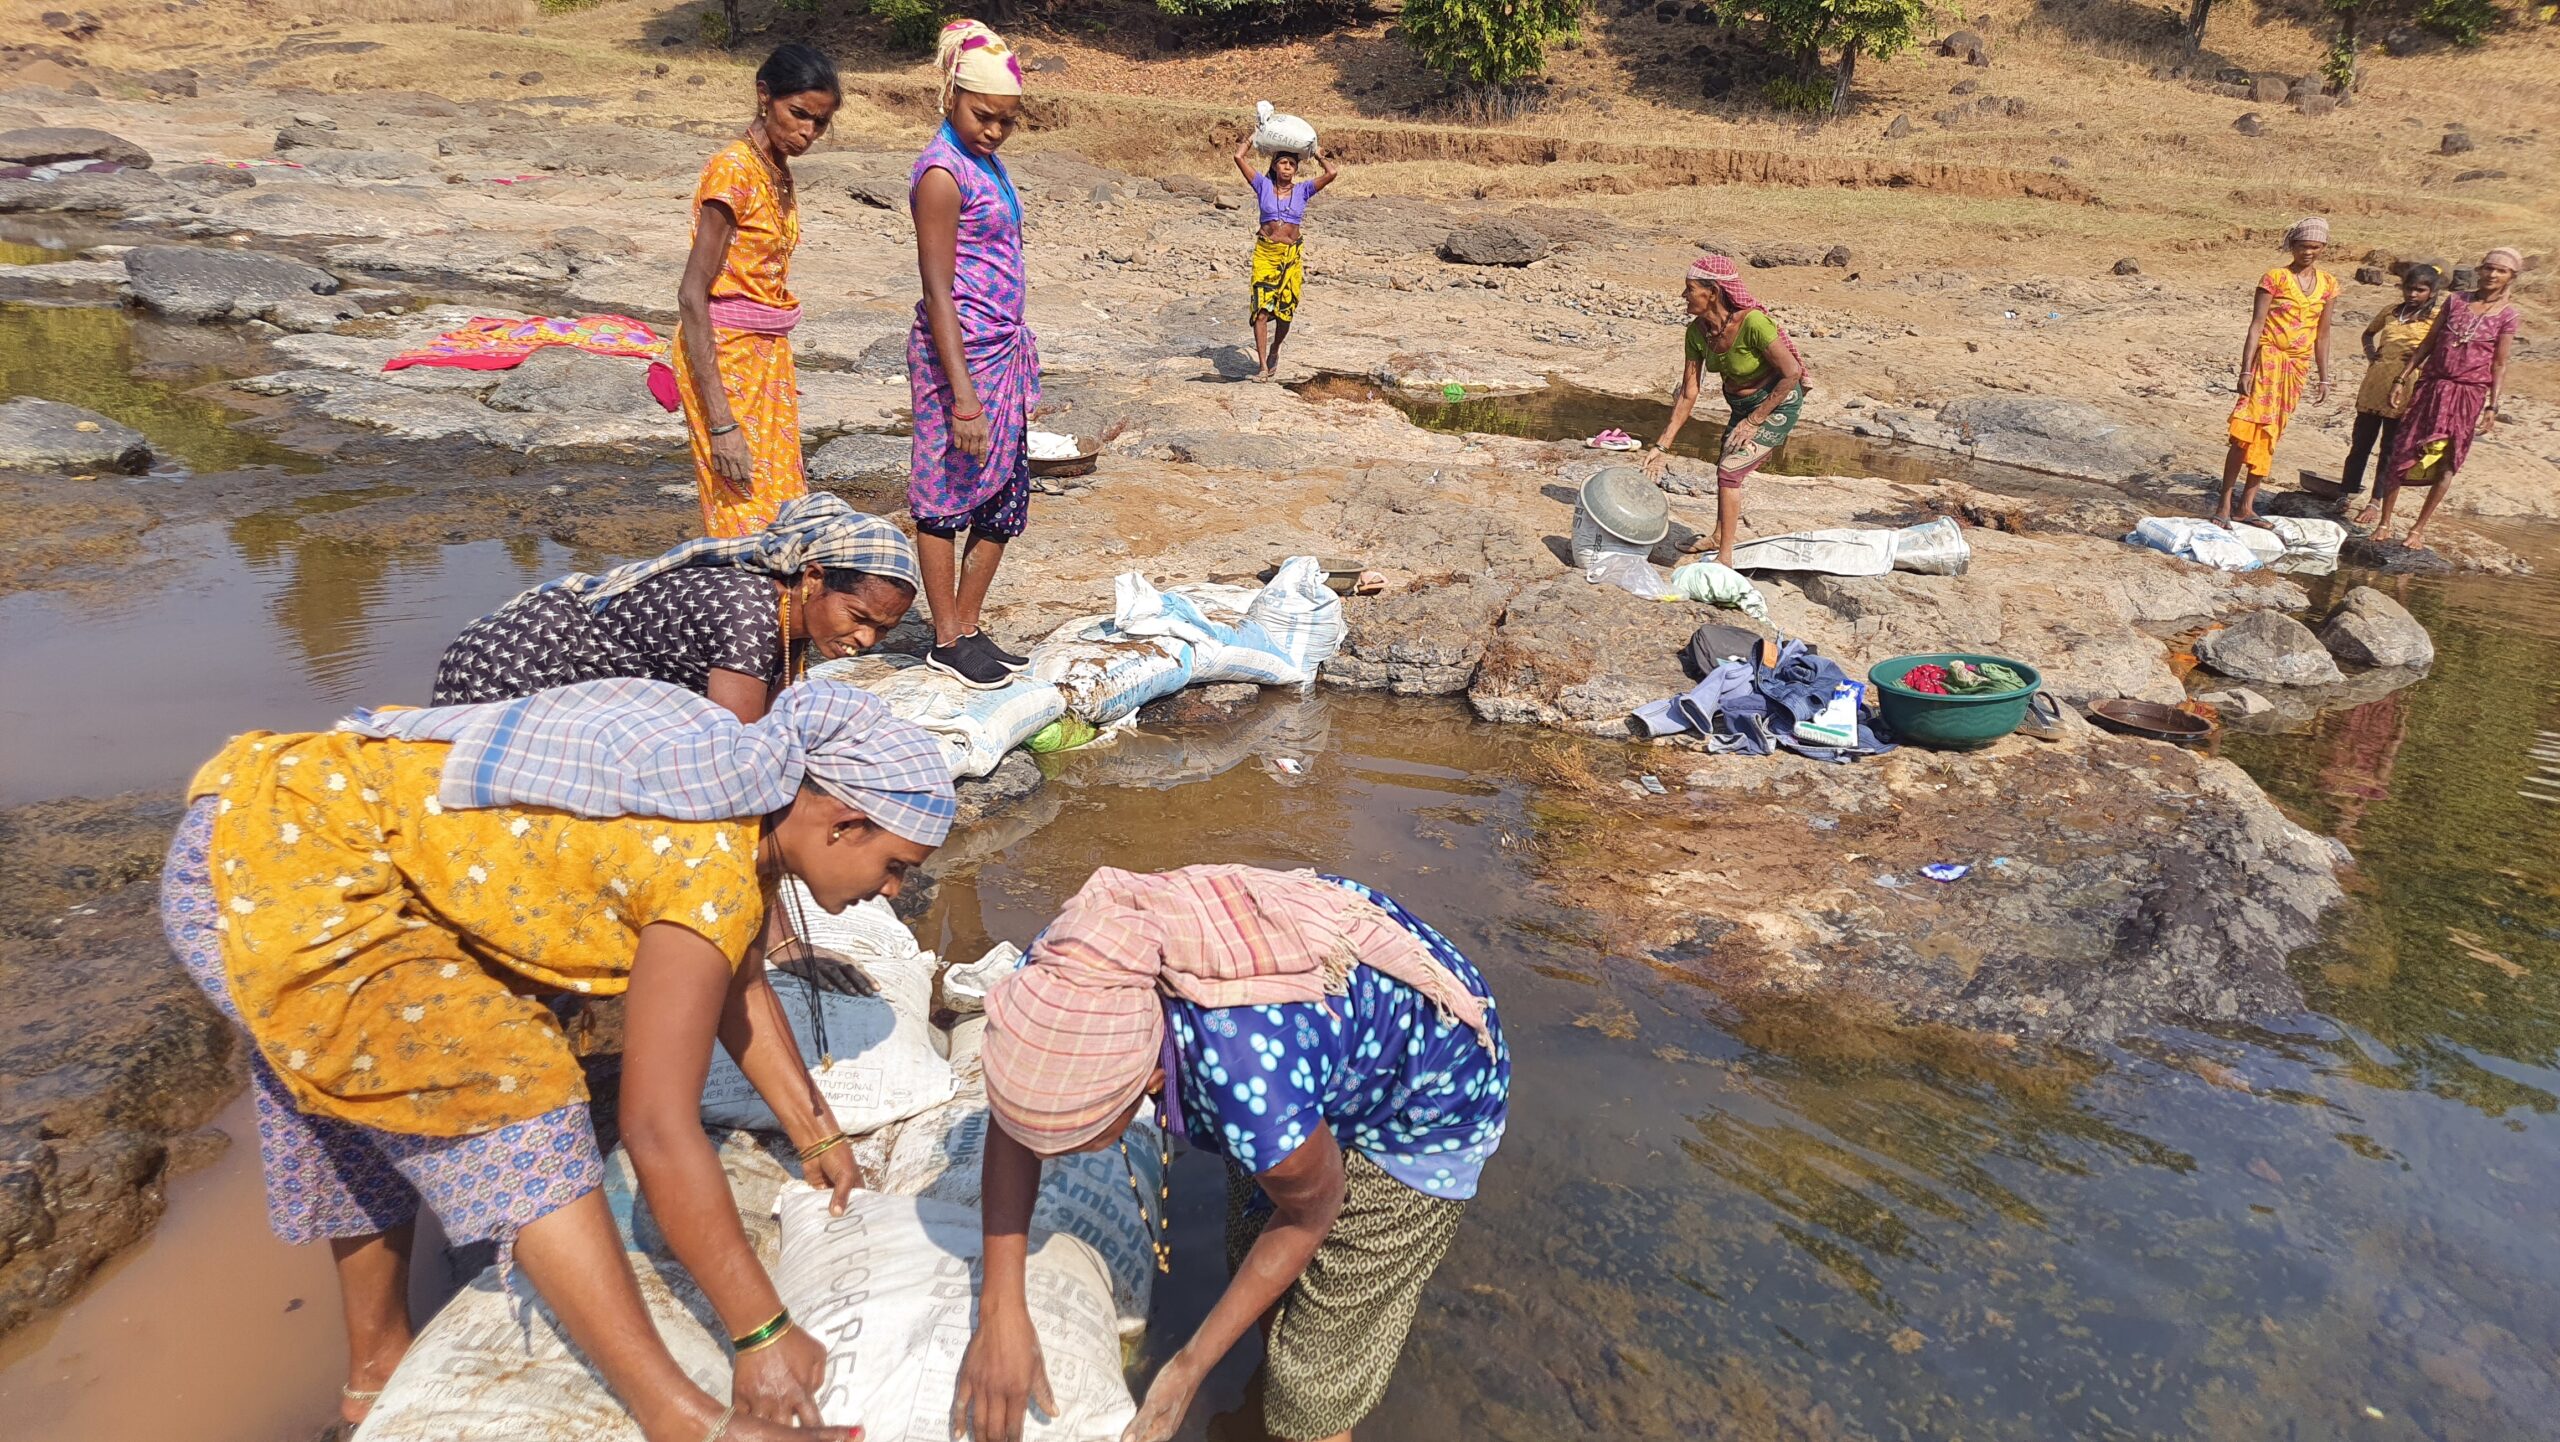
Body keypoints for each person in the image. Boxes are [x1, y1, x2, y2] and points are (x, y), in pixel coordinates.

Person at [160, 679, 955, 1439]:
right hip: (279, 860)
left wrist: (816, 1134)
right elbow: (655, 1128)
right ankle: (679, 1418)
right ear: (843, 823)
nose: (890, 893)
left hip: (288, 814)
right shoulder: (710, 864)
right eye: (896, 868)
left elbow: (737, 981)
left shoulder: (733, 804)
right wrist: (762, 1334)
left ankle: (375, 1376)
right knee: (517, 1091)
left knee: (364, 1093)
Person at [953, 865, 1510, 1442]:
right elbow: (1016, 1119)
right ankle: (1275, 1375)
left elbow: (1313, 1209)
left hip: (1431, 1095)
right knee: (1249, 1245)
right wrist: (1001, 1311)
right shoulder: (1066, 975)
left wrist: (1187, 1369)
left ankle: (1312, 1416)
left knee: (1318, 1377)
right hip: (1314, 1044)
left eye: (1081, 1138)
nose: (1060, 1156)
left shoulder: (1250, 1084)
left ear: (1147, 1083)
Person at [432, 494, 916, 723]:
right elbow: (739, 750)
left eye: (884, 629)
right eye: (859, 618)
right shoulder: (745, 610)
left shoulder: (792, 614)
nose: (867, 641)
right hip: (509, 671)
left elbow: (777, 721)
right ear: (813, 578)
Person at [908, 18, 1036, 690]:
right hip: (955, 358)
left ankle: (970, 623)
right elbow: (936, 290)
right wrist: (962, 397)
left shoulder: (986, 163)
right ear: (951, 98)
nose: (992, 130)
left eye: (1006, 122)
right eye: (983, 115)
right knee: (944, 499)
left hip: (1001, 354)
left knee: (1004, 497)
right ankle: (944, 637)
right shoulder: (940, 173)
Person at [676, 44, 839, 538]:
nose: (807, 133)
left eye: (820, 123)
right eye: (799, 115)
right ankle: (740, 612)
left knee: (782, 511)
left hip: (767, 356)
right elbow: (691, 294)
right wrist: (721, 422)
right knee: (742, 512)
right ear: (764, 96)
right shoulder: (734, 170)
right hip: (727, 361)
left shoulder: (776, 171)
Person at [1644, 252, 1808, 569]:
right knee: (1724, 463)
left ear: (1713, 292)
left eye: (1690, 288)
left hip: (1777, 403)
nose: (1683, 295)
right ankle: (1719, 536)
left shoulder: (1754, 323)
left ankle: (1725, 560)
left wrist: (1755, 420)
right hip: (1741, 407)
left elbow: (1792, 374)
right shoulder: (1697, 332)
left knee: (1729, 471)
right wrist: (1663, 445)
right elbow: (1689, 392)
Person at [2357, 246, 2524, 551]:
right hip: (2431, 387)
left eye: (2500, 270)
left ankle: (2418, 529)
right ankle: (2385, 521)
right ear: (2480, 269)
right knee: (2402, 451)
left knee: (2448, 461)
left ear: (2511, 277)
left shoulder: (2508, 315)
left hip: (2468, 394)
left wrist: (2493, 405)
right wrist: (2402, 378)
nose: (2492, 274)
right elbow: (2429, 344)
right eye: (2488, 268)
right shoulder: (2456, 301)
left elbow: (2499, 363)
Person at [2219, 217, 2338, 527]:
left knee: (2271, 435)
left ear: (2323, 247)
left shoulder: (2329, 285)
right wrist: (2245, 370)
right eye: (2302, 246)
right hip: (2267, 361)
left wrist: (2324, 376)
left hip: (2296, 368)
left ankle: (2247, 506)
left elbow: (2322, 334)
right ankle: (2224, 504)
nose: (2308, 252)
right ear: (2292, 246)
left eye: (2314, 247)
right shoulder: (2274, 278)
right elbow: (2256, 325)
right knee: (2245, 433)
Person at [1232, 135, 1340, 382]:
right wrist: (1253, 137)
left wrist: (1318, 154)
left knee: (1284, 313)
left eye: (1291, 164)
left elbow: (1331, 173)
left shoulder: (1303, 190)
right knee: (1260, 310)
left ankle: (1275, 349)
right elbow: (1238, 157)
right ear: (1274, 166)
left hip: (1291, 256)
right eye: (1283, 163)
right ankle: (1261, 366)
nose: (1287, 168)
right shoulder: (1262, 185)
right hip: (1266, 254)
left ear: (1296, 169)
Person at [2331, 264, 2443, 497]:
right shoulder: (2392, 311)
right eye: (2408, 289)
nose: (2412, 295)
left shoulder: (2436, 318)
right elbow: (2368, 333)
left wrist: (2421, 364)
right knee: (2360, 444)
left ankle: (2376, 500)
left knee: (2390, 448)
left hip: (2407, 388)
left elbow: (2441, 351)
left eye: (2420, 290)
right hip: (2375, 384)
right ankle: (2346, 494)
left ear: (2432, 292)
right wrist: (2371, 353)